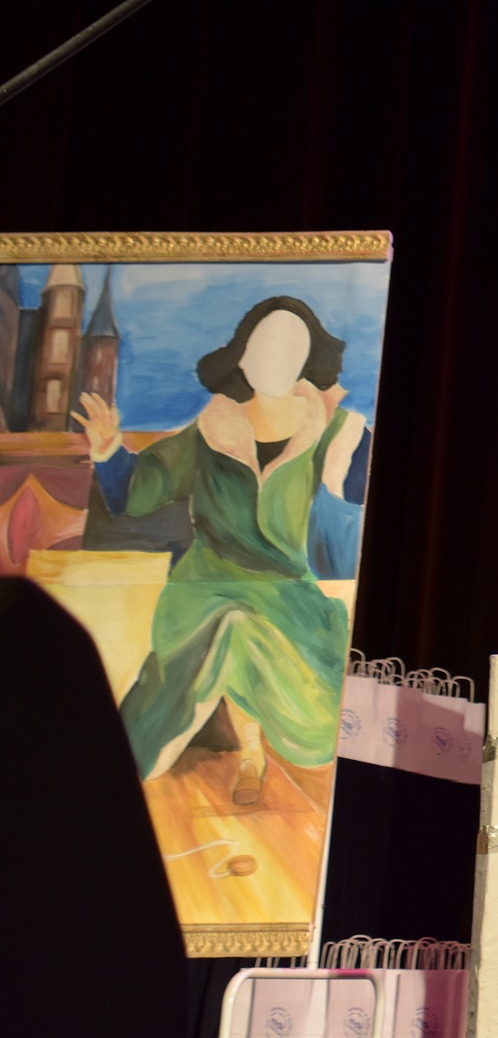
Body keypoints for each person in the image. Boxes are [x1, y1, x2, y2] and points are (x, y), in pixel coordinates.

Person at [74, 296, 368, 806]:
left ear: (307, 360)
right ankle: (249, 756)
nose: (275, 359)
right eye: (264, 346)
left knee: (313, 716)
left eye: (290, 348)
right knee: (230, 624)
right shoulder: (211, 429)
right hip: (205, 587)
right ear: (243, 357)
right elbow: (139, 489)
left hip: (291, 596)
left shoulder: (339, 433)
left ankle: (257, 753)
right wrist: (107, 451)